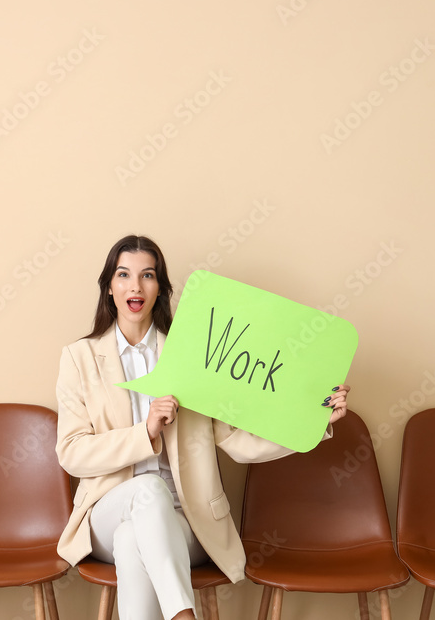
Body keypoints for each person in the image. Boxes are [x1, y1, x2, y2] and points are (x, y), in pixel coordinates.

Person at [54, 235, 350, 620]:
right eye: (124, 274)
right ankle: (184, 616)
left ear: (160, 288)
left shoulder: (192, 357)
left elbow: (239, 443)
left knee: (134, 540)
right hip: (107, 515)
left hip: (186, 520)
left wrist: (314, 421)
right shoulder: (79, 358)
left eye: (148, 275)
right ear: (109, 286)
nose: (135, 286)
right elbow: (72, 453)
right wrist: (145, 433)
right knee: (144, 493)